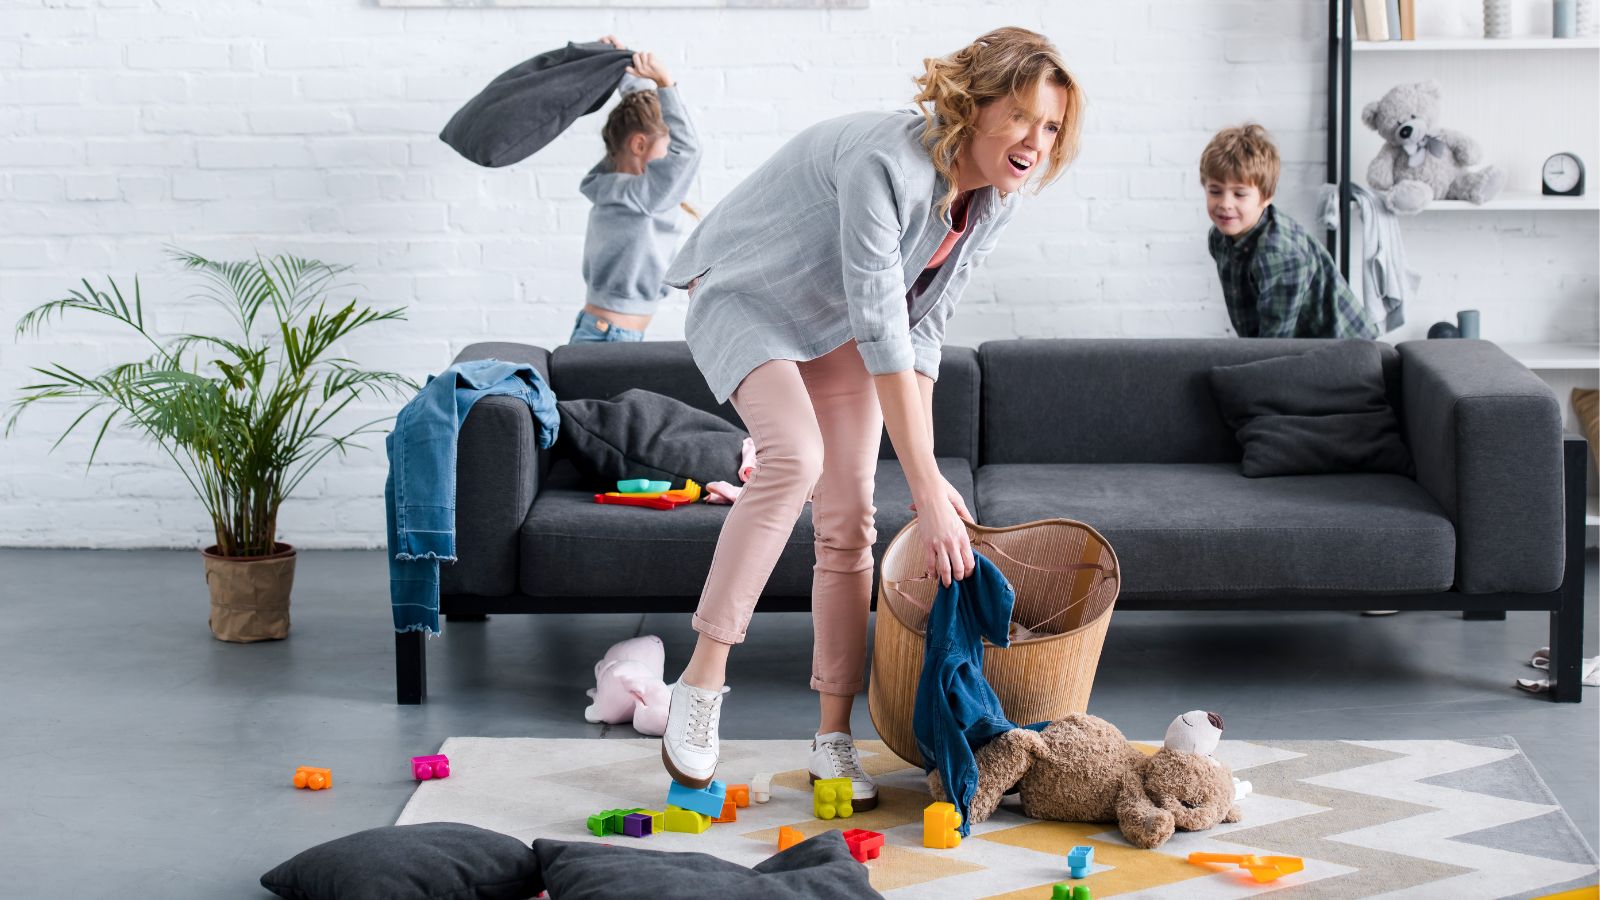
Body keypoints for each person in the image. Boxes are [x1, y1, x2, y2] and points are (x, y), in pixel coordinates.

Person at [655, 28, 1084, 808]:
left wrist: (924, 481)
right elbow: (884, 322)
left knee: (851, 514)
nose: (1036, 141)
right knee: (794, 459)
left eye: (1051, 127)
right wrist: (926, 486)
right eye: (1021, 116)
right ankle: (701, 680)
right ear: (974, 104)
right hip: (749, 296)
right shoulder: (884, 162)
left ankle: (832, 738)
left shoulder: (991, 199)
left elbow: (923, 330)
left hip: (840, 326)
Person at [570, 37, 701, 344]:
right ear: (639, 144)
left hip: (600, 329)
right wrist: (665, 84)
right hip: (611, 336)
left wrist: (626, 73)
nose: (670, 156)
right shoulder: (645, 196)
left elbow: (637, 120)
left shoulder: (610, 182)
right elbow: (689, 151)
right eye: (667, 146)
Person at [1202, 124, 1378, 339]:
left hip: (1341, 349)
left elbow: (1275, 344)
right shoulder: (1219, 238)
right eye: (1215, 191)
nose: (1225, 203)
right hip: (1291, 345)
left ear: (1266, 197)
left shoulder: (1279, 253)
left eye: (1239, 194)